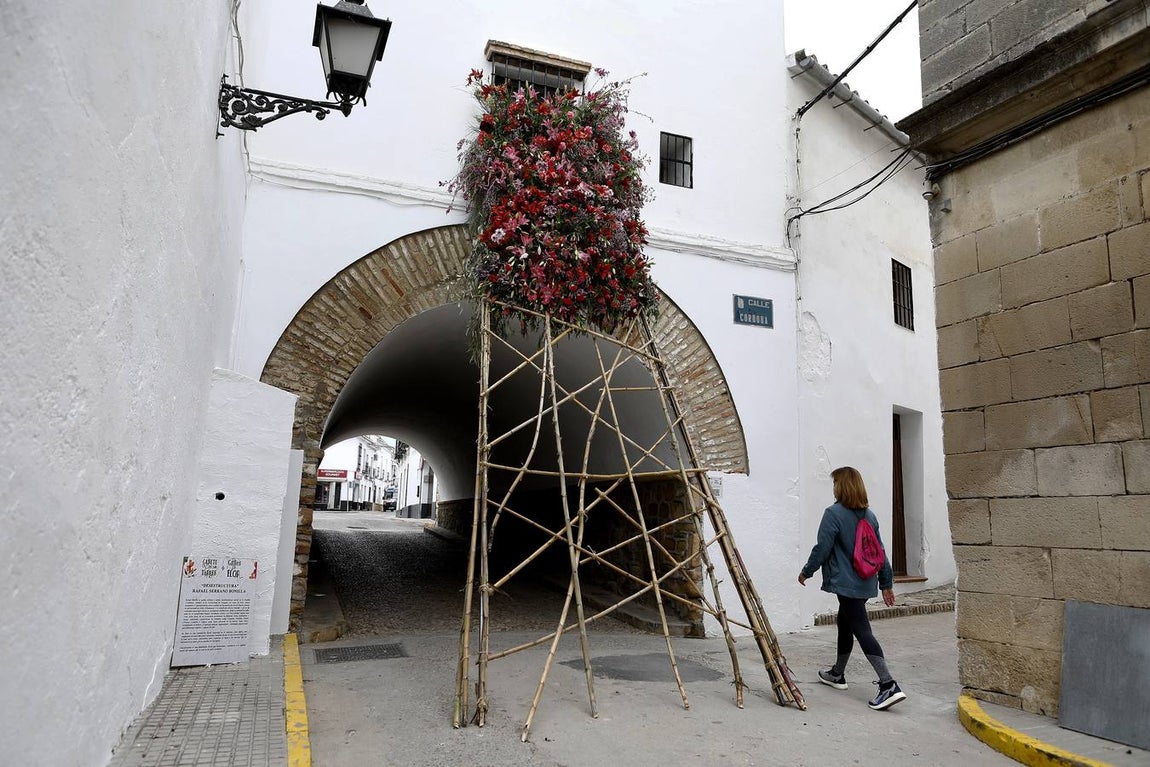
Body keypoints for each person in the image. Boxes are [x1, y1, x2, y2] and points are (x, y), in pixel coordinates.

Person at [798, 466, 907, 711]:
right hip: (865, 581)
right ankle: (837, 673)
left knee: (861, 629)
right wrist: (885, 583)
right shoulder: (870, 516)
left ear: (841, 486)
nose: (833, 487)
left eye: (835, 482)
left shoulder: (833, 513)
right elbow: (881, 553)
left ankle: (888, 684)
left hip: (846, 583)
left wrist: (807, 571)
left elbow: (822, 548)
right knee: (845, 622)